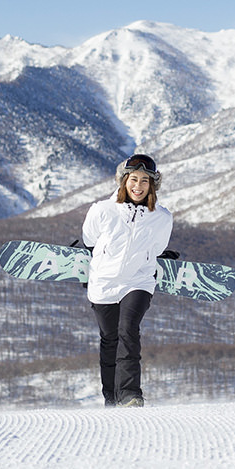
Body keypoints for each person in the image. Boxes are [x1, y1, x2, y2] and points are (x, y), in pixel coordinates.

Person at [81, 153, 173, 408]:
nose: (139, 186)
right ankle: (111, 397)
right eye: (134, 179)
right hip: (104, 283)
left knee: (128, 330)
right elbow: (89, 239)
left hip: (139, 281)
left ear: (152, 185)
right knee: (109, 339)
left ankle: (130, 394)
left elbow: (156, 249)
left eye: (145, 181)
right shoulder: (102, 210)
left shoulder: (162, 218)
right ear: (123, 181)